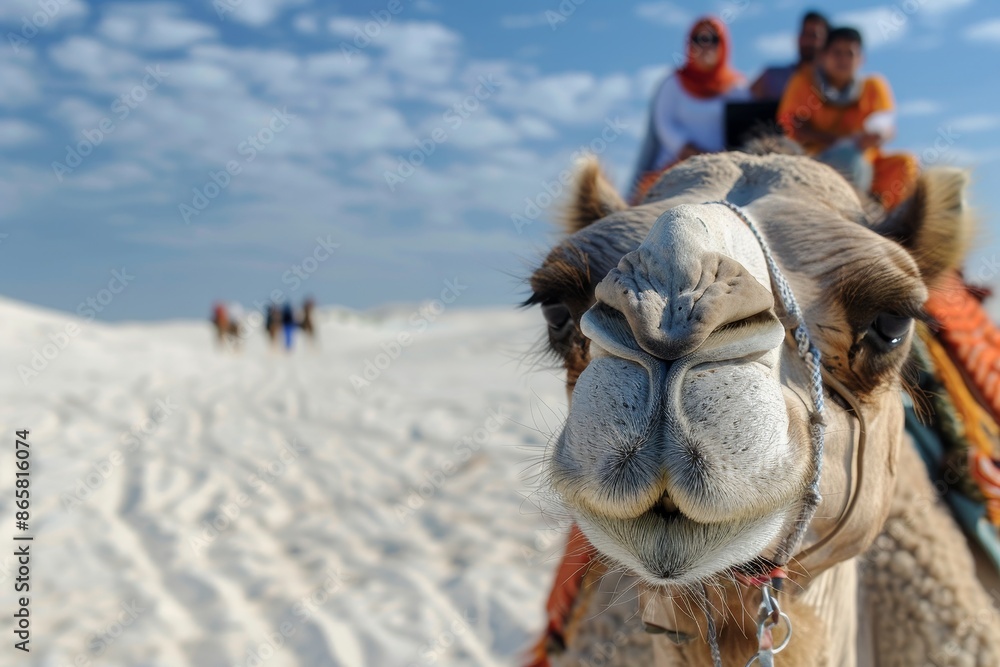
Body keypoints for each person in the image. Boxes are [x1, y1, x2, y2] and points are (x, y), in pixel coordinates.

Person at [777, 27, 918, 210]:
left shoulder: (873, 86)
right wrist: (842, 143)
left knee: (905, 164)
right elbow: (790, 126)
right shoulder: (803, 81)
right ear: (822, 56)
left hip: (868, 164)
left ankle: (888, 223)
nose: (843, 59)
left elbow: (888, 128)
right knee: (850, 159)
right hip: (815, 163)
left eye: (850, 54)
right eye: (837, 53)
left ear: (861, 59)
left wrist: (879, 137)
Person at [629, 16, 749, 203]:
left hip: (723, 173)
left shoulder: (738, 88)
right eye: (699, 39)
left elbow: (746, 128)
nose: (705, 46)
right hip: (674, 171)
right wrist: (691, 153)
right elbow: (665, 125)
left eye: (713, 39)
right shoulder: (672, 83)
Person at [751, 11, 829, 101]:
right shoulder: (771, 77)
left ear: (828, 42)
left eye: (813, 36)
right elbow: (740, 107)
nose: (807, 41)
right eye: (804, 33)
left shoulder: (835, 84)